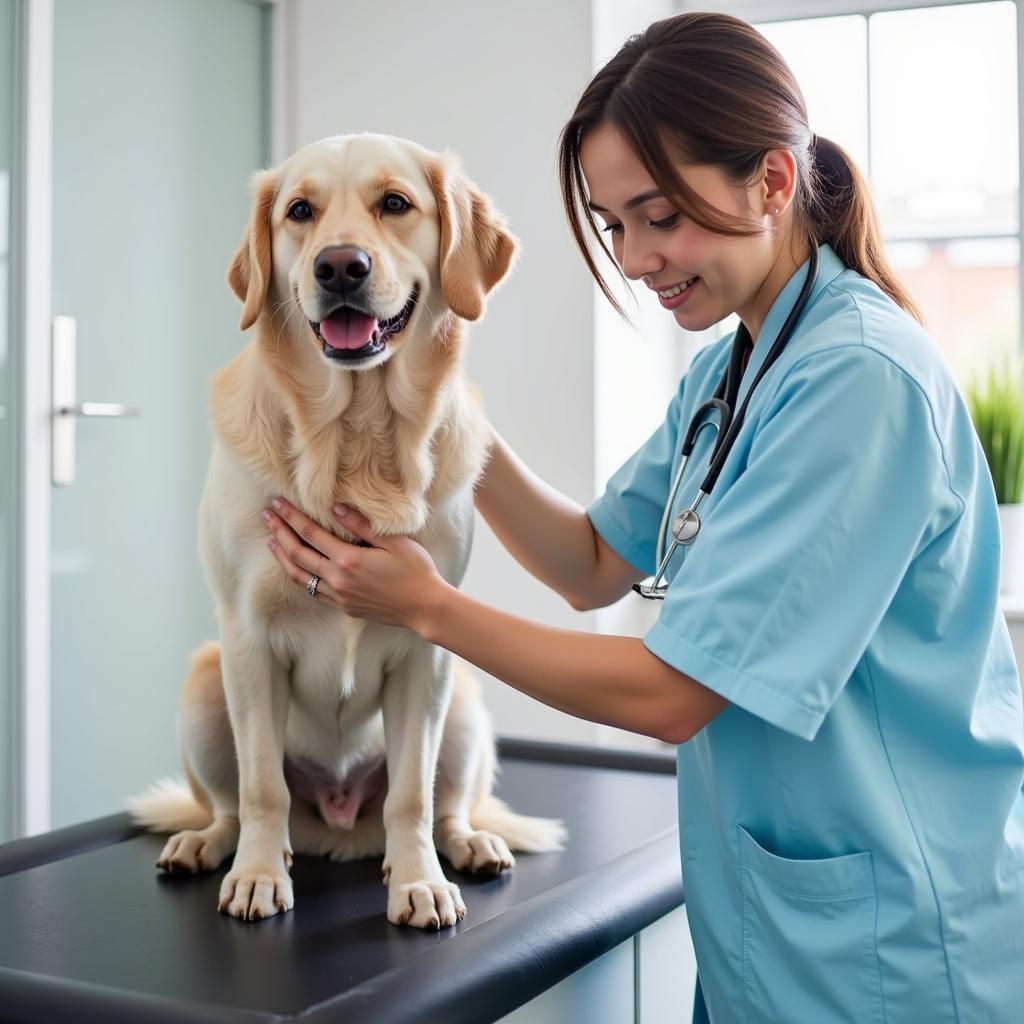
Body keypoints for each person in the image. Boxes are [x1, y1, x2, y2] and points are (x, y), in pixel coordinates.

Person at [259, 12, 1024, 1022]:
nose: (633, 257)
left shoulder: (857, 381)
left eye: (659, 217)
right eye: (614, 224)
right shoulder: (736, 364)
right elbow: (588, 561)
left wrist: (427, 607)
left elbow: (674, 694)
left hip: (890, 945)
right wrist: (431, 406)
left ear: (773, 182)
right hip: (776, 926)